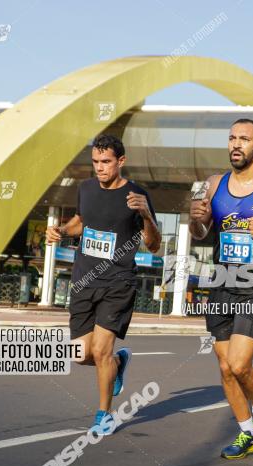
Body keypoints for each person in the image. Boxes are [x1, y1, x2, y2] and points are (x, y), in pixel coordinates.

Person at [46, 134, 161, 434]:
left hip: (118, 283)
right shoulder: (85, 188)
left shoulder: (137, 194)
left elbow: (154, 244)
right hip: (84, 280)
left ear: (120, 161)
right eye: (96, 162)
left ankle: (104, 414)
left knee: (100, 351)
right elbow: (81, 221)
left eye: (106, 162)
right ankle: (118, 364)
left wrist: (146, 214)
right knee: (80, 354)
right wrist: (61, 230)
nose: (100, 167)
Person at [188, 119, 253, 459]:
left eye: (244, 139)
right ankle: (246, 432)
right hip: (222, 282)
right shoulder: (214, 185)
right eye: (232, 138)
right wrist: (196, 219)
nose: (236, 144)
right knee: (225, 366)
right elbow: (201, 235)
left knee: (240, 363)